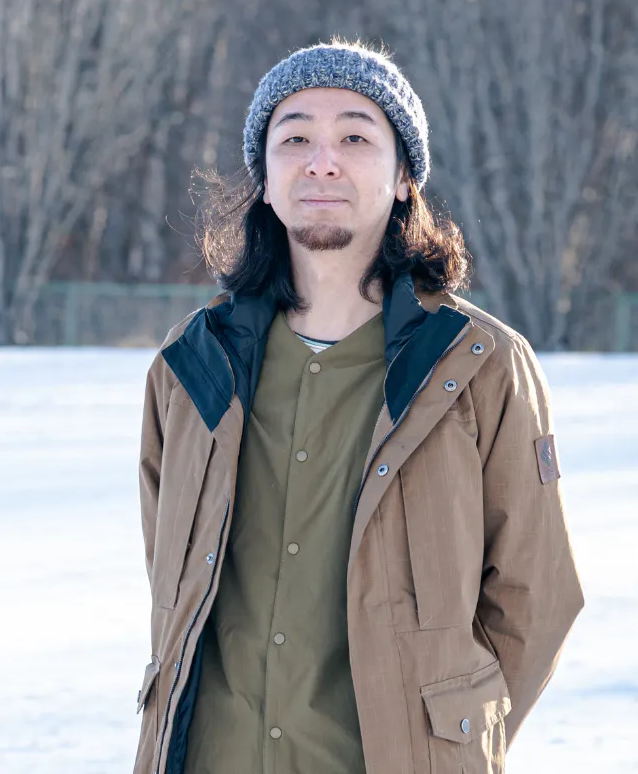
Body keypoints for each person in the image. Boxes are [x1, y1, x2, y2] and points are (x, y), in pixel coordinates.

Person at [133, 40, 584, 774]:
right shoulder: (192, 365)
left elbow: (537, 597)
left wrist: (447, 738)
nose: (322, 162)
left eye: (354, 137)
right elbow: (172, 579)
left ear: (405, 176)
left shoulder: (480, 364)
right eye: (294, 139)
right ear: (265, 179)